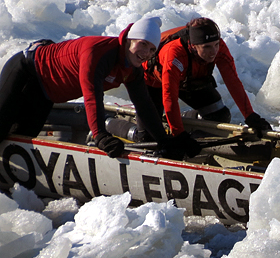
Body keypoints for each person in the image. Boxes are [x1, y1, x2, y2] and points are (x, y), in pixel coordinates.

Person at [0, 17, 171, 157]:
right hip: (26, 71)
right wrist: (100, 135)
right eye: (143, 44)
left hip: (45, 94)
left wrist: (164, 140)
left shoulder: (133, 69)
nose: (146, 53)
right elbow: (92, 96)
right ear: (129, 40)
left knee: (21, 141)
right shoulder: (98, 53)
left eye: (152, 49)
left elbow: (144, 106)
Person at [137, 17, 272, 157]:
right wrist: (179, 135)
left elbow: (233, 82)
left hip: (188, 79)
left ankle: (184, 121)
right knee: (148, 139)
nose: (213, 51)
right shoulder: (175, 54)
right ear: (194, 46)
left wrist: (250, 116)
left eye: (215, 44)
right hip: (152, 81)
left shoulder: (219, 48)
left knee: (220, 115)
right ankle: (114, 124)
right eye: (206, 47)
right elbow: (169, 96)